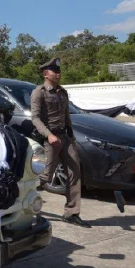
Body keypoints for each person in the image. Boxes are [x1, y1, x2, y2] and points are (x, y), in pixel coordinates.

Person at [30, 58, 90, 228]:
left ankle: (72, 213)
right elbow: (35, 118)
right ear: (45, 74)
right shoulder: (39, 92)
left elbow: (67, 116)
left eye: (59, 71)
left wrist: (71, 136)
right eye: (54, 71)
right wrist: (48, 135)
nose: (58, 74)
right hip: (51, 139)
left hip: (66, 138)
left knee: (74, 173)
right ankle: (26, 206)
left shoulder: (62, 92)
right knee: (45, 175)